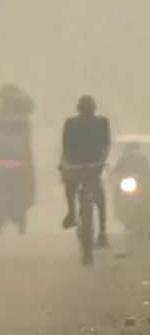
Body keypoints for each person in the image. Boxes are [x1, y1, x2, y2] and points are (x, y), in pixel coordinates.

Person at [59, 95, 111, 245]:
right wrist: (64, 162)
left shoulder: (75, 123)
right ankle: (100, 230)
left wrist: (100, 162)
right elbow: (66, 148)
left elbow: (66, 147)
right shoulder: (100, 123)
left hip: (88, 167)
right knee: (99, 199)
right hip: (85, 167)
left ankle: (74, 215)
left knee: (96, 197)